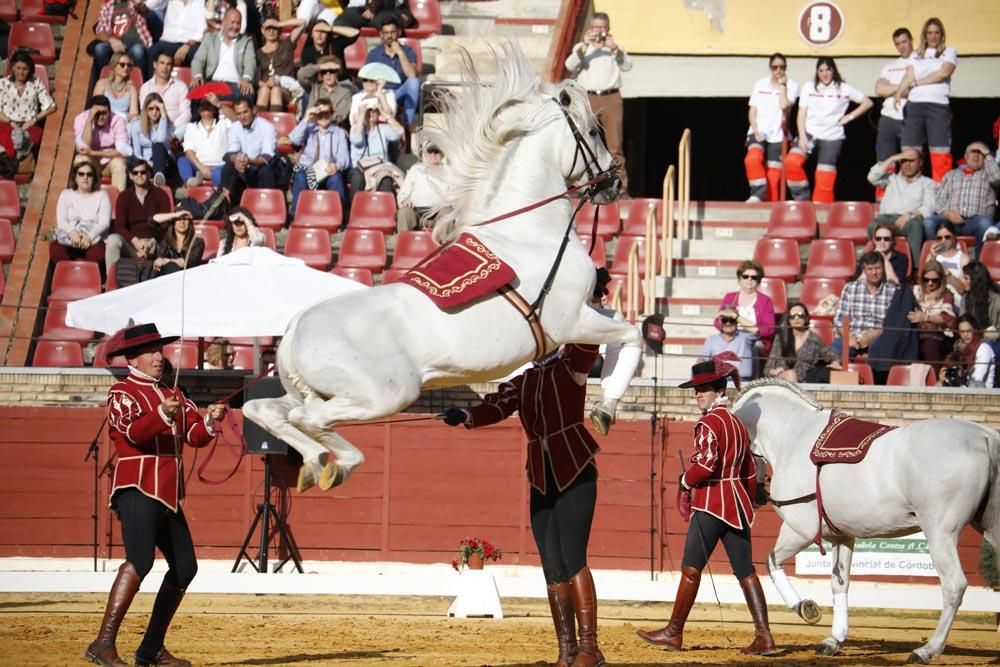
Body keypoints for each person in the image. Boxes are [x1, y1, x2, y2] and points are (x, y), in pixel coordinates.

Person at [438, 292, 613, 667]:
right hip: (542, 477)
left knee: (574, 558)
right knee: (553, 565)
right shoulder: (526, 379)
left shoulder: (571, 363)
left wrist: (585, 300)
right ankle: (566, 652)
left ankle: (590, 649)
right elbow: (496, 406)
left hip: (574, 468)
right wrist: (464, 416)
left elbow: (587, 343)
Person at [84, 323, 225, 667]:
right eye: (150, 352)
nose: (158, 357)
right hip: (137, 486)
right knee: (140, 561)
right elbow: (133, 433)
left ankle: (150, 649)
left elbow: (193, 435)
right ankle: (102, 644)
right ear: (132, 358)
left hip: (167, 492)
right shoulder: (122, 392)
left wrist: (209, 421)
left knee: (185, 567)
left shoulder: (172, 393)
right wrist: (163, 414)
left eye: (159, 351)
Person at [636, 354, 776, 656]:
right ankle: (764, 636)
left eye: (704, 389)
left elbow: (706, 465)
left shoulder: (709, 423)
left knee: (690, 569)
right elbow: (750, 470)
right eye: (696, 390)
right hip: (737, 506)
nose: (698, 395)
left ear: (718, 389)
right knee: (745, 571)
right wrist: (752, 497)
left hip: (712, 504)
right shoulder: (737, 423)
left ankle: (673, 633)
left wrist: (686, 480)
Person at [784, 57, 873, 203]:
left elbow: (867, 102)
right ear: (817, 72)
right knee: (791, 162)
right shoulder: (809, 86)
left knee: (824, 174)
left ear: (833, 70)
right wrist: (801, 135)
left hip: (832, 136)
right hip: (809, 133)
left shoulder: (844, 88)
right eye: (821, 70)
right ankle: (802, 201)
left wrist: (849, 117)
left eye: (828, 70)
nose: (824, 74)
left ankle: (821, 208)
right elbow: (801, 113)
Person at [564, 11, 631, 195]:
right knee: (585, 140)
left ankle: (621, 188)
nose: (598, 31)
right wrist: (585, 45)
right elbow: (569, 65)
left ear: (608, 29)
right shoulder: (583, 48)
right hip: (589, 97)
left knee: (614, 145)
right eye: (595, 27)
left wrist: (614, 48)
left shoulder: (614, 48)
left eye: (602, 28)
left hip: (611, 97)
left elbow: (627, 65)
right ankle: (581, 185)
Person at [896, 18, 958, 182]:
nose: (933, 36)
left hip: (938, 106)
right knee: (910, 152)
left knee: (940, 151)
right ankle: (910, 191)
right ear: (925, 34)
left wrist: (918, 82)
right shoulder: (915, 54)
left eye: (937, 32)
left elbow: (943, 73)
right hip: (914, 105)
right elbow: (909, 75)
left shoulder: (949, 52)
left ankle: (941, 194)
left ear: (942, 34)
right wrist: (899, 93)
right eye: (929, 32)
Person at [924, 141, 1000, 254]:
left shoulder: (988, 175)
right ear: (965, 156)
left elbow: (997, 178)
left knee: (985, 223)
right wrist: (946, 213)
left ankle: (979, 266)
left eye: (981, 153)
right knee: (928, 222)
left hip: (975, 221)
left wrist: (988, 154)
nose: (976, 155)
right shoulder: (951, 175)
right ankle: (938, 258)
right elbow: (938, 199)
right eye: (973, 151)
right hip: (950, 221)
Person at [743, 52, 798, 203]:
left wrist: (783, 85)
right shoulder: (760, 84)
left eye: (782, 67)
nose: (778, 70)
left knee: (774, 176)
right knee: (752, 159)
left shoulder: (792, 85)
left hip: (779, 135)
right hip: (758, 130)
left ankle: (771, 209)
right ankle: (757, 194)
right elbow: (752, 110)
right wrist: (754, 130)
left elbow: (784, 105)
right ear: (770, 68)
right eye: (775, 67)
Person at [866, 149, 935, 266]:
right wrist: (893, 158)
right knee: (873, 225)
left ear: (920, 163)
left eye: (911, 161)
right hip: (886, 219)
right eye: (903, 160)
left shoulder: (928, 183)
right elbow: (872, 177)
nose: (907, 164)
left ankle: (914, 269)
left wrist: (909, 215)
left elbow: (929, 207)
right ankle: (876, 262)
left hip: (909, 221)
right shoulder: (890, 179)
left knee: (916, 224)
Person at [105, 159, 172, 269]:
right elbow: (119, 226)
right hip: (132, 243)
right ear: (130, 176)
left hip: (155, 242)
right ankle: (112, 281)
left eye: (143, 172)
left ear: (149, 173)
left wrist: (150, 244)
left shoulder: (161, 195)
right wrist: (135, 241)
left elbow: (165, 225)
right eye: (135, 173)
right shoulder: (124, 197)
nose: (139, 175)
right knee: (113, 240)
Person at [289, 97, 350, 218]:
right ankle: (296, 214)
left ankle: (339, 215)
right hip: (309, 169)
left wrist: (337, 165)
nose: (323, 117)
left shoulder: (339, 133)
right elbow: (294, 139)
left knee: (336, 178)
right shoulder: (309, 129)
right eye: (320, 114)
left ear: (332, 115)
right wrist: (307, 118)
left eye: (327, 113)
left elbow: (344, 156)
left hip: (328, 171)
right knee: (300, 176)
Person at [833, 251, 899, 358]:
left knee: (879, 348)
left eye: (877, 268)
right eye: (870, 269)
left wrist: (872, 334)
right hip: (853, 335)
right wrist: (849, 337)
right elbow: (840, 320)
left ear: (883, 268)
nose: (874, 272)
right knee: (835, 352)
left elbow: (895, 324)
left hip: (879, 338)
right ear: (864, 270)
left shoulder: (892, 292)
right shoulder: (850, 288)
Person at [48, 162, 112, 266]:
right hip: (70, 237)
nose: (85, 177)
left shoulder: (102, 195)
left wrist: (89, 237)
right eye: (81, 174)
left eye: (89, 174)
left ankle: (84, 276)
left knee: (97, 254)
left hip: (93, 238)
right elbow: (61, 221)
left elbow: (104, 223)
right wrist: (72, 232)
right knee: (56, 249)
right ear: (75, 177)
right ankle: (67, 274)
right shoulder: (66, 194)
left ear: (94, 178)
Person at [714, 260, 776, 369]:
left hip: (755, 340)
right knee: (714, 343)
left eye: (754, 277)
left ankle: (749, 379)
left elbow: (769, 329)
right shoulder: (730, 297)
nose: (749, 280)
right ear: (740, 279)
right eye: (746, 276)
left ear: (759, 281)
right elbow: (718, 322)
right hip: (731, 336)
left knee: (748, 347)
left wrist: (737, 318)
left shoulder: (765, 301)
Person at [219, 97, 278, 204]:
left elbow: (267, 156)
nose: (242, 117)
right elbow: (231, 152)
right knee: (228, 167)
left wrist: (249, 161)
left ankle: (266, 205)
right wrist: (236, 159)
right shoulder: (235, 127)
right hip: (244, 168)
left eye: (245, 112)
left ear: (254, 110)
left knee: (266, 170)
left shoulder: (267, 127)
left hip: (260, 167)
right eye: (239, 114)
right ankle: (227, 206)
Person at [191, 8, 256, 99]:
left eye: (238, 23)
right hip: (213, 83)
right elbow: (198, 60)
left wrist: (246, 78)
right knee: (194, 90)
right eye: (232, 22)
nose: (235, 27)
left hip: (236, 85)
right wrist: (197, 76)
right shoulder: (210, 38)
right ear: (224, 22)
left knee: (247, 93)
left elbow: (250, 62)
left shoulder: (246, 41)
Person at [765, 304, 840, 383]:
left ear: (806, 318)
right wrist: (774, 371)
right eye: (792, 316)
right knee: (791, 374)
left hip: (804, 382)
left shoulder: (814, 340)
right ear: (789, 320)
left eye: (800, 315)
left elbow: (831, 355)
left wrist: (835, 361)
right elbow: (768, 368)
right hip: (782, 380)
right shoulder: (781, 338)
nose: (796, 318)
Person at [873, 28, 916, 165]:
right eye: (897, 44)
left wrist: (891, 88)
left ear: (911, 40)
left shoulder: (920, 61)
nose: (901, 46)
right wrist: (905, 86)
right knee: (884, 164)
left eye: (904, 42)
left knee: (910, 162)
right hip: (888, 118)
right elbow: (879, 89)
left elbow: (918, 90)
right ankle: (884, 187)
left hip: (910, 118)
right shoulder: (889, 66)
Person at [0, 50, 56, 151]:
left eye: (25, 69)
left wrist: (33, 120)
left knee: (31, 139)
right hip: (8, 124)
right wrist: (11, 122)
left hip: (28, 125)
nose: (21, 72)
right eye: (18, 68)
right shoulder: (3, 84)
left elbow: (51, 107)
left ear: (30, 69)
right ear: (12, 67)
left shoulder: (35, 83)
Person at [346, 105, 403, 202]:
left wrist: (385, 114)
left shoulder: (383, 129)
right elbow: (356, 140)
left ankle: (385, 213)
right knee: (357, 178)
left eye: (374, 111)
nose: (371, 113)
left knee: (386, 180)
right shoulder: (356, 128)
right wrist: (362, 114)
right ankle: (355, 211)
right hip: (359, 168)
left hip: (379, 168)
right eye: (368, 111)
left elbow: (399, 132)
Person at [74, 96, 131, 192]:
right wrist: (89, 121)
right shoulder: (81, 119)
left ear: (110, 112)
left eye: (104, 113)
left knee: (119, 164)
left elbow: (123, 151)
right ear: (90, 112)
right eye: (97, 113)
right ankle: (83, 196)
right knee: (81, 159)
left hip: (110, 161)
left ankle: (118, 202)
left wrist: (94, 153)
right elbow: (82, 147)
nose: (101, 117)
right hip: (92, 162)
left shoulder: (118, 121)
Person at [907, 259, 957, 366]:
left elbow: (948, 319)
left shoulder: (946, 294)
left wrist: (925, 317)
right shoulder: (914, 291)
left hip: (939, 337)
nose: (930, 283)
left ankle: (933, 379)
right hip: (916, 335)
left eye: (934, 280)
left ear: (940, 280)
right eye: (926, 279)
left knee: (930, 346)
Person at [178, 95, 234, 187]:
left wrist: (219, 104)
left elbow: (236, 120)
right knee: (182, 161)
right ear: (198, 109)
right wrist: (202, 168)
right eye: (202, 104)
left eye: (209, 104)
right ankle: (190, 184)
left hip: (220, 166)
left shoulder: (223, 124)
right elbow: (189, 151)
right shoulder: (191, 127)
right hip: (199, 166)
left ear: (214, 108)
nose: (205, 106)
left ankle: (217, 196)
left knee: (217, 173)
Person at [92, 0, 153, 81]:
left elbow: (145, 9)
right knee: (100, 49)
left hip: (135, 43)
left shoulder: (133, 3)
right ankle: (104, 82)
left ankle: (141, 84)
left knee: (138, 51)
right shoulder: (107, 7)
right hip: (114, 44)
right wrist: (112, 40)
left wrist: (139, 4)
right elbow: (100, 31)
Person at [255, 18, 307, 112]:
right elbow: (255, 79)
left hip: (285, 88)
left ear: (279, 29)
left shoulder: (287, 44)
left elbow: (303, 23)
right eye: (268, 28)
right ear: (263, 31)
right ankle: (260, 124)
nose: (271, 31)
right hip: (265, 87)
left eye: (274, 28)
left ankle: (275, 124)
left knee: (276, 90)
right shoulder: (258, 53)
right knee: (264, 91)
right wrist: (266, 84)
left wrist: (279, 23)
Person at [395, 141, 449, 232]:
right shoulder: (416, 169)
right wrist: (405, 200)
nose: (433, 155)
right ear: (425, 153)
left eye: (436, 152)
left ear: (442, 154)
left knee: (447, 213)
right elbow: (402, 194)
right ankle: (404, 244)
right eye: (430, 152)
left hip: (438, 213)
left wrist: (448, 203)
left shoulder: (449, 171)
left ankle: (446, 246)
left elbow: (455, 195)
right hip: (416, 212)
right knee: (404, 212)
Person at [139, 51, 192, 140]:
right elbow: (144, 111)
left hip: (175, 130)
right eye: (162, 63)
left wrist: (171, 128)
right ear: (155, 65)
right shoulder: (146, 87)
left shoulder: (180, 86)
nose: (165, 67)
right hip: (152, 130)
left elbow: (186, 113)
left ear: (172, 67)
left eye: (168, 64)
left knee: (189, 127)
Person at [128, 93, 174, 186]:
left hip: (166, 163)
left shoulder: (168, 125)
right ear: (146, 110)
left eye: (158, 109)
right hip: (146, 163)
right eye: (151, 109)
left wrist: (163, 115)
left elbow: (160, 139)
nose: (155, 112)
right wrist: (149, 163)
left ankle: (159, 177)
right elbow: (137, 153)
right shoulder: (137, 125)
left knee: (157, 145)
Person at [938, 314, 995, 387]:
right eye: (962, 332)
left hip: (982, 393)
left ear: (975, 330)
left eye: (968, 331)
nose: (965, 334)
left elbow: (977, 379)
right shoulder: (959, 349)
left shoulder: (984, 348)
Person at [146, 0, 207, 67]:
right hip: (168, 42)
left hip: (190, 44)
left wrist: (188, 45)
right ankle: (152, 77)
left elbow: (202, 29)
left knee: (197, 54)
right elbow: (150, 5)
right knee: (153, 51)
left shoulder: (199, 2)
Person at [698, 306, 753, 382]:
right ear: (720, 322)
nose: (728, 323)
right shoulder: (712, 339)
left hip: (741, 381)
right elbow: (702, 359)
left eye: (732, 320)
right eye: (724, 320)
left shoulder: (746, 338)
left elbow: (756, 330)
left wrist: (735, 316)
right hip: (717, 382)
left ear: (737, 321)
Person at [150, 201, 205, 275]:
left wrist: (167, 261)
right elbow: (151, 221)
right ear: (173, 222)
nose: (182, 222)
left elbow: (190, 262)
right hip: (162, 276)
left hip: (184, 277)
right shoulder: (165, 238)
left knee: (171, 267)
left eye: (185, 219)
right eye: (178, 219)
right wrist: (175, 214)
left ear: (190, 222)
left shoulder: (197, 242)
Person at [298, 55, 354, 128]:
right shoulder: (314, 87)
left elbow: (340, 115)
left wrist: (320, 118)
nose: (328, 74)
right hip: (311, 127)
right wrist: (320, 67)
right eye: (324, 72)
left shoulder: (345, 93)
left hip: (333, 128)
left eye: (331, 71)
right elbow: (301, 75)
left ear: (337, 73)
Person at [95, 51, 140, 121]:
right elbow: (96, 108)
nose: (126, 68)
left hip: (124, 123)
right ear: (114, 66)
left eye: (128, 65)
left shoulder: (131, 89)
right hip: (104, 123)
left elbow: (134, 114)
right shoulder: (102, 84)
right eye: (122, 65)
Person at [960, 261, 1000, 338]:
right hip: (971, 339)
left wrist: (991, 333)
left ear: (976, 280)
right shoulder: (965, 298)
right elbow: (962, 322)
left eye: (966, 278)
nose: (962, 281)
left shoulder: (997, 300)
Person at [931, 221, 970, 294]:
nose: (943, 240)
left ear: (954, 237)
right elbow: (924, 281)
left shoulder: (963, 259)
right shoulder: (933, 256)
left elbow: (963, 289)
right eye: (939, 238)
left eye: (947, 237)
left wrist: (947, 273)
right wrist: (933, 259)